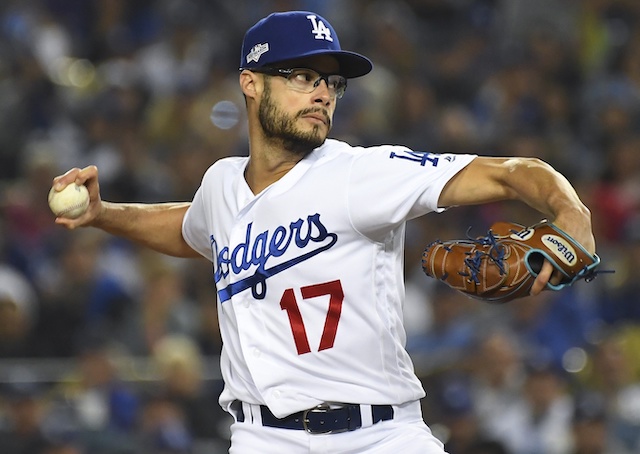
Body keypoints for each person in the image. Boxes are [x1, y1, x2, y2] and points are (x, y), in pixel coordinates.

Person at [50, 10, 596, 454]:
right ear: (250, 83)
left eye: (331, 82)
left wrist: (574, 217)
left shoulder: (360, 173)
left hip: (380, 436)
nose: (323, 94)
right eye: (303, 77)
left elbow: (512, 172)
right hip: (260, 437)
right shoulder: (220, 185)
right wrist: (104, 214)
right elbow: (192, 229)